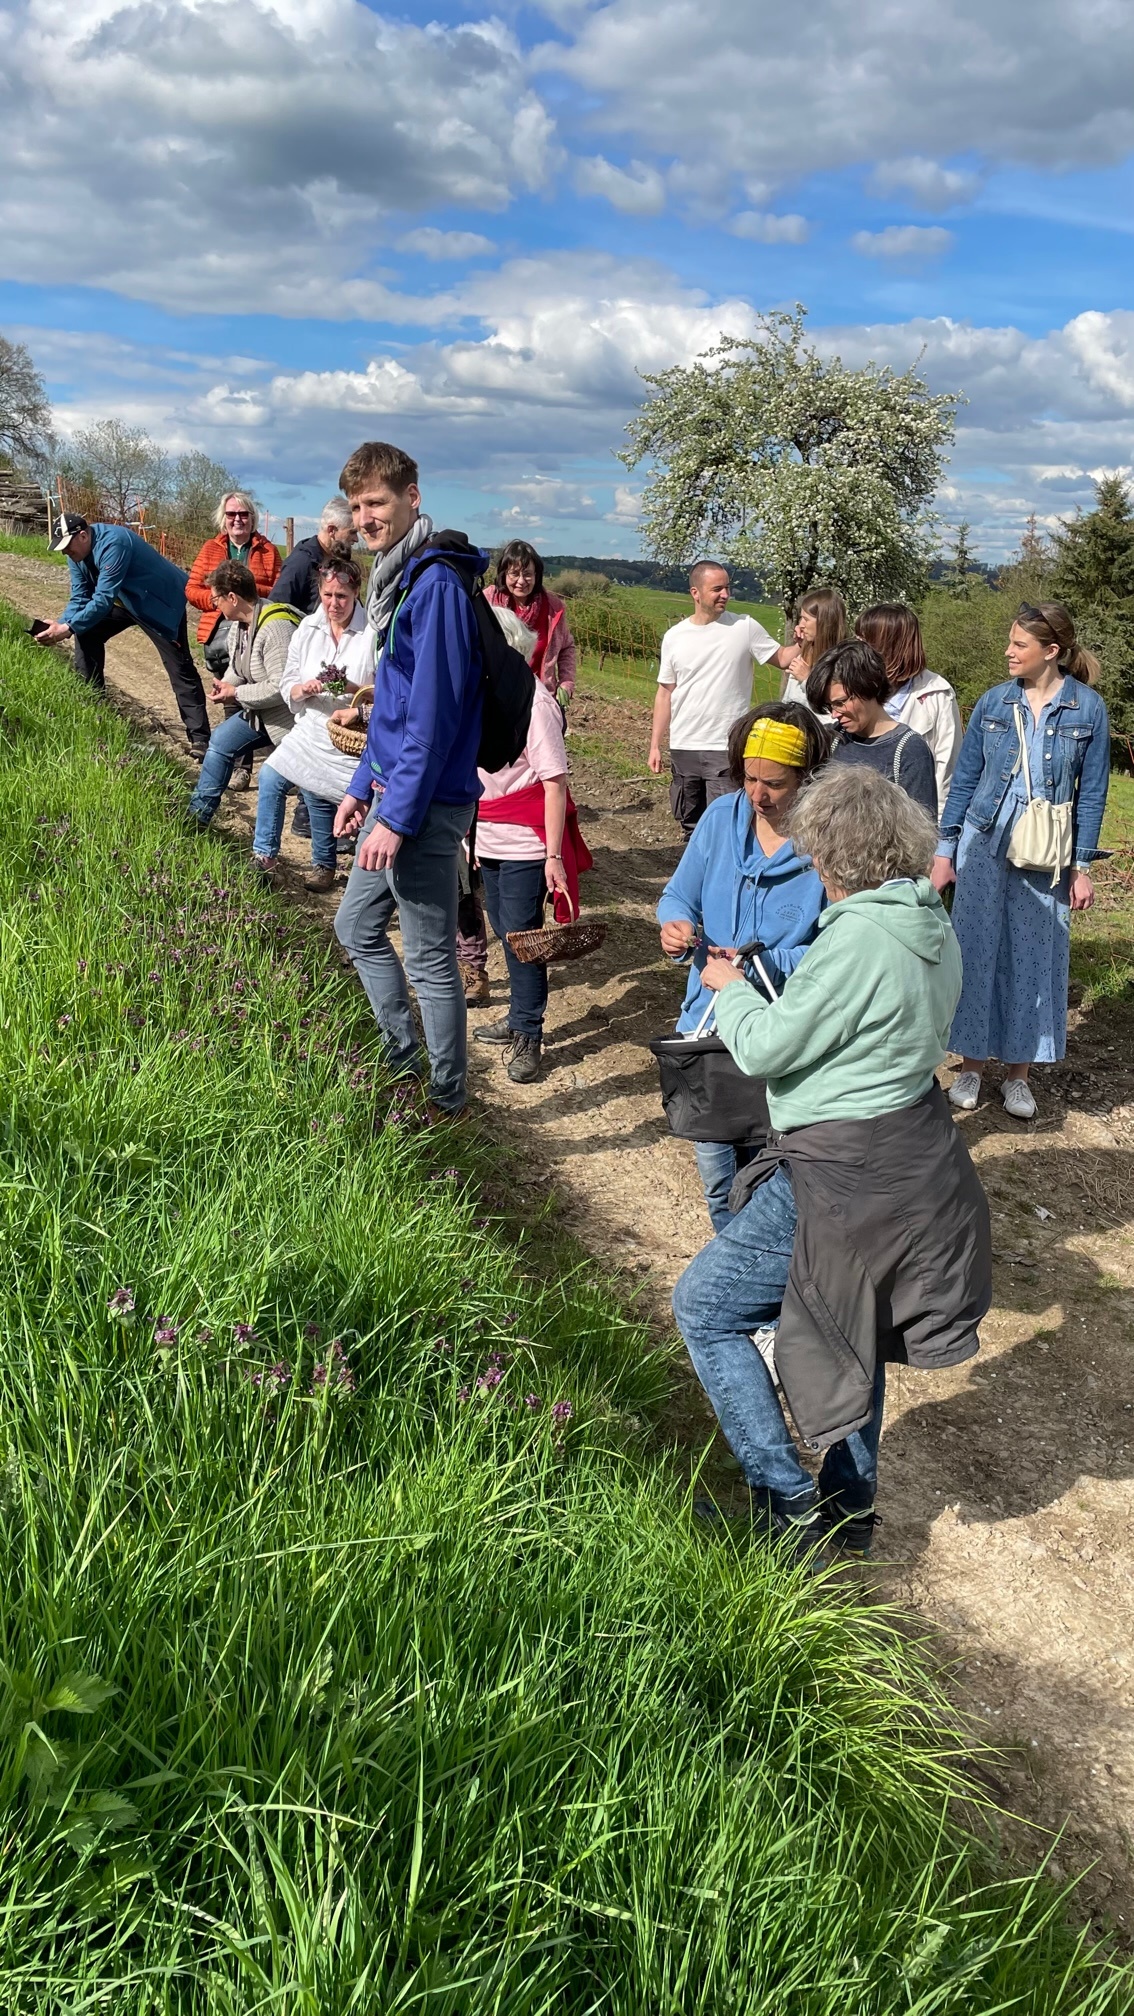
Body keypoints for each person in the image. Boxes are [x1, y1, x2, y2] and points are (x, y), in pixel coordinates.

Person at [672, 765, 991, 1562]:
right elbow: (875, 1029)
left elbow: (771, 1047)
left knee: (706, 1309)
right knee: (858, 1325)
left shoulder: (856, 932)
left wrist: (732, 985)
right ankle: (850, 1513)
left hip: (842, 1169)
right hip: (917, 1152)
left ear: (831, 857)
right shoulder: (929, 922)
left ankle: (786, 1510)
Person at [331, 441, 485, 1122]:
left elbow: (432, 715)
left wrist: (394, 815)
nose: (366, 517)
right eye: (358, 505)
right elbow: (390, 706)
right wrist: (362, 784)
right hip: (393, 794)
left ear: (412, 498)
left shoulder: (438, 585)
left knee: (428, 959)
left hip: (427, 803)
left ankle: (445, 1097)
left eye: (378, 502)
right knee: (356, 924)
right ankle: (401, 1058)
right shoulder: (400, 580)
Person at [932, 602, 1110, 1122]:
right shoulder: (992, 703)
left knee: (1034, 959)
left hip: (1047, 852)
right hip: (985, 843)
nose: (1008, 652)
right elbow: (964, 783)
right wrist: (946, 850)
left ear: (1050, 652)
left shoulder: (1087, 709)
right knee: (975, 950)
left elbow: (1093, 794)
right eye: (1010, 642)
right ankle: (969, 1066)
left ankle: (1018, 1076)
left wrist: (1083, 866)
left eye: (1019, 644)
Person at [656, 702, 828, 1231]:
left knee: (764, 1175)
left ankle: (754, 1284)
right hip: (707, 1024)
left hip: (780, 1036)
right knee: (715, 1175)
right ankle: (733, 1280)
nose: (758, 794)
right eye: (749, 778)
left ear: (807, 777)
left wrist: (763, 963)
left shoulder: (827, 845)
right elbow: (677, 896)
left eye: (775, 783)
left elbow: (836, 953)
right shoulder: (718, 818)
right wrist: (675, 927)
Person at [471, 605, 591, 1084]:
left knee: (522, 937)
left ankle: (528, 1032)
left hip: (524, 840)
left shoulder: (537, 705)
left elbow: (554, 783)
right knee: (503, 926)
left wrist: (554, 856)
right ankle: (521, 1014)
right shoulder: (481, 696)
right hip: (488, 833)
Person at [36, 513, 211, 758]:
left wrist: (67, 629)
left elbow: (103, 597)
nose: (65, 553)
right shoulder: (76, 554)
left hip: (158, 601)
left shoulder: (114, 543)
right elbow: (80, 596)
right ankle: (93, 707)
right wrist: (61, 623)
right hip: (125, 601)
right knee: (87, 632)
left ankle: (201, 740)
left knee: (179, 667)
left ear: (83, 536)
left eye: (66, 546)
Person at [252, 557, 374, 894]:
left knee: (327, 795)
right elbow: (289, 676)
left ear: (356, 593)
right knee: (271, 775)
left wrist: (351, 689)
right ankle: (264, 857)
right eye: (328, 595)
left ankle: (332, 866)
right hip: (312, 723)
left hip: (352, 734)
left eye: (342, 597)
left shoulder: (372, 633)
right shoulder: (308, 628)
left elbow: (388, 691)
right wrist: (300, 689)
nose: (334, 604)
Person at [648, 561, 789, 840]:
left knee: (725, 827)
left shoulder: (744, 627)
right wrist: (655, 744)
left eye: (727, 587)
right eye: (717, 589)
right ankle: (695, 880)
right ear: (695, 593)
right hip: (684, 745)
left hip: (724, 747)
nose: (725, 594)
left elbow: (783, 658)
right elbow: (665, 692)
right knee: (690, 826)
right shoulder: (674, 637)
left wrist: (811, 638)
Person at [187, 562, 301, 826]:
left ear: (232, 597)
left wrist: (236, 693)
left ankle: (322, 847)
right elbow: (238, 668)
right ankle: (196, 817)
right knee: (220, 742)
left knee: (300, 786)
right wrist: (224, 685)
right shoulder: (240, 625)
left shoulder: (276, 628)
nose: (214, 605)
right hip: (260, 713)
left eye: (216, 598)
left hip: (289, 722)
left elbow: (280, 687)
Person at [186, 492, 282, 790]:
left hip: (256, 630)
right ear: (223, 519)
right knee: (230, 696)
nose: (237, 520)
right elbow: (191, 589)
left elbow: (277, 588)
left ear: (252, 518)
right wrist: (219, 601)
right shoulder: (211, 548)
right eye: (231, 515)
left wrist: (246, 599)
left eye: (243, 514)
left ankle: (258, 764)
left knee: (257, 693)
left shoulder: (267, 550)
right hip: (218, 633)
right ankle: (238, 763)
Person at [806, 640, 938, 821]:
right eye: (829, 706)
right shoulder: (830, 740)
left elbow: (922, 834)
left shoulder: (909, 752)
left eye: (840, 702)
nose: (834, 714)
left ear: (870, 686)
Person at [855, 603, 962, 817]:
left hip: (910, 824)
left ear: (887, 645)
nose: (856, 646)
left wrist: (937, 833)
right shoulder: (852, 687)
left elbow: (947, 771)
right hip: (855, 817)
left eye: (864, 640)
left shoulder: (937, 694)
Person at [485, 540, 577, 703]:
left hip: (538, 698)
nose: (521, 581)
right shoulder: (487, 601)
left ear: (536, 575)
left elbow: (567, 647)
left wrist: (566, 683)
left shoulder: (553, 608)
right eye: (514, 573)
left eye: (527, 574)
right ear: (504, 574)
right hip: (493, 695)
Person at [268, 498, 356, 616]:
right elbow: (275, 609)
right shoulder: (301, 562)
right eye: (352, 532)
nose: (356, 539)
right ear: (332, 531)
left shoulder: (338, 561)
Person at [779, 587, 847, 710]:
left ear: (824, 623)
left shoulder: (842, 661)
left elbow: (835, 711)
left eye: (806, 619)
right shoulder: (807, 650)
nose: (801, 625)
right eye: (801, 618)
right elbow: (789, 698)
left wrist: (808, 680)